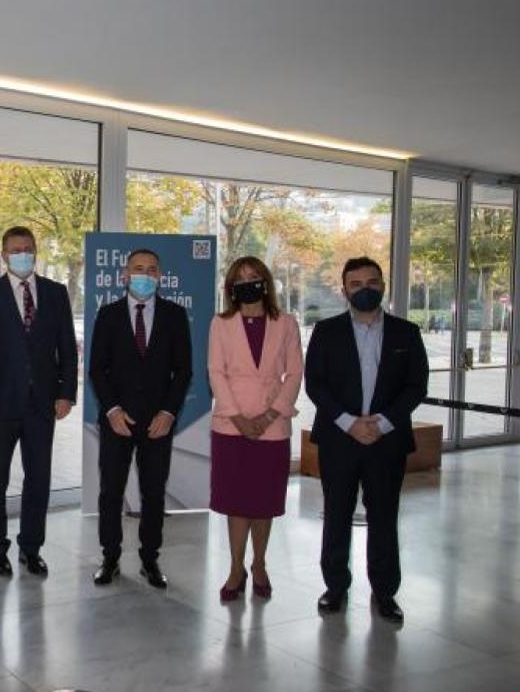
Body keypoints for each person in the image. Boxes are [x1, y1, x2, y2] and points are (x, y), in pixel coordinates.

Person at [305, 256, 428, 623]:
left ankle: (385, 592)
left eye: (372, 282)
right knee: (337, 515)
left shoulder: (407, 333)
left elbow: (416, 386)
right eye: (356, 284)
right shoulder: (326, 332)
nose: (364, 289)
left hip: (386, 441)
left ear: (383, 286)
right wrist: (349, 423)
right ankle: (335, 587)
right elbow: (316, 384)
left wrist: (383, 423)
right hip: (339, 439)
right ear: (344, 290)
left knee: (385, 516)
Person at [0, 226, 77, 577]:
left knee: (39, 479)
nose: (23, 254)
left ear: (36, 252)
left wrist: (65, 393)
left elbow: (67, 349)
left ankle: (31, 548)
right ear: (3, 255)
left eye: (28, 249)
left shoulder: (56, 293)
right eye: (16, 249)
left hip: (41, 404)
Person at [88, 248, 192, 589]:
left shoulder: (176, 316)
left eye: (151, 269)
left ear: (159, 277)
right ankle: (110, 558)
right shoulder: (108, 314)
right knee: (111, 493)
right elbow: (97, 370)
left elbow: (183, 371)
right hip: (117, 420)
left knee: (153, 493)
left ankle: (150, 559)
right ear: (125, 275)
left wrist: (169, 412)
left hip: (158, 423)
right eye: (138, 269)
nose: (144, 274)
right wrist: (112, 410)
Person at [207, 256, 303, 600]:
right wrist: (237, 417)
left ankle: (259, 563)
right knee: (237, 501)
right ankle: (236, 567)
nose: (248, 282)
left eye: (254, 276)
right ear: (231, 287)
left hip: (273, 425)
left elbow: (294, 373)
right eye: (240, 277)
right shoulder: (221, 323)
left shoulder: (287, 323)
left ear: (266, 281)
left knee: (264, 501)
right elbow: (215, 372)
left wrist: (267, 416)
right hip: (230, 426)